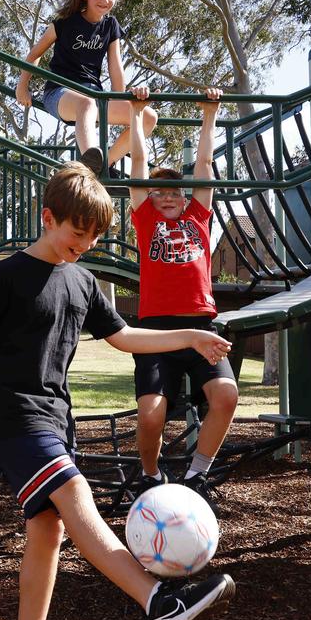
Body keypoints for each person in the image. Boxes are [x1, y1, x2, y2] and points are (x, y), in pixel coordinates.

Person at [0, 161, 236, 620]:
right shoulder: (8, 275)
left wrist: (192, 335)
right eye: (79, 232)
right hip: (14, 418)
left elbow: (125, 337)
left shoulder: (82, 281)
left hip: (56, 418)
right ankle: (158, 603)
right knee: (75, 492)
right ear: (48, 217)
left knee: (48, 529)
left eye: (94, 236)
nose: (86, 243)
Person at [125, 88, 238, 506]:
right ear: (149, 199)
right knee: (151, 412)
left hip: (199, 325)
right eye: (159, 192)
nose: (168, 197)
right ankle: (152, 475)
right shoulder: (145, 217)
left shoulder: (198, 215)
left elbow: (204, 163)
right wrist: (136, 113)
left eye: (175, 191)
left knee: (225, 395)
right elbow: (139, 165)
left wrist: (211, 115)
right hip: (155, 330)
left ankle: (196, 474)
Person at [14, 0, 157, 178]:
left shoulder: (110, 26)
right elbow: (34, 54)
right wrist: (22, 86)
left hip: (95, 95)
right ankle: (89, 160)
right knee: (87, 103)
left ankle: (105, 163)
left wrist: (121, 98)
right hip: (60, 94)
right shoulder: (64, 23)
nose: (105, 0)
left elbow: (115, 66)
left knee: (148, 117)